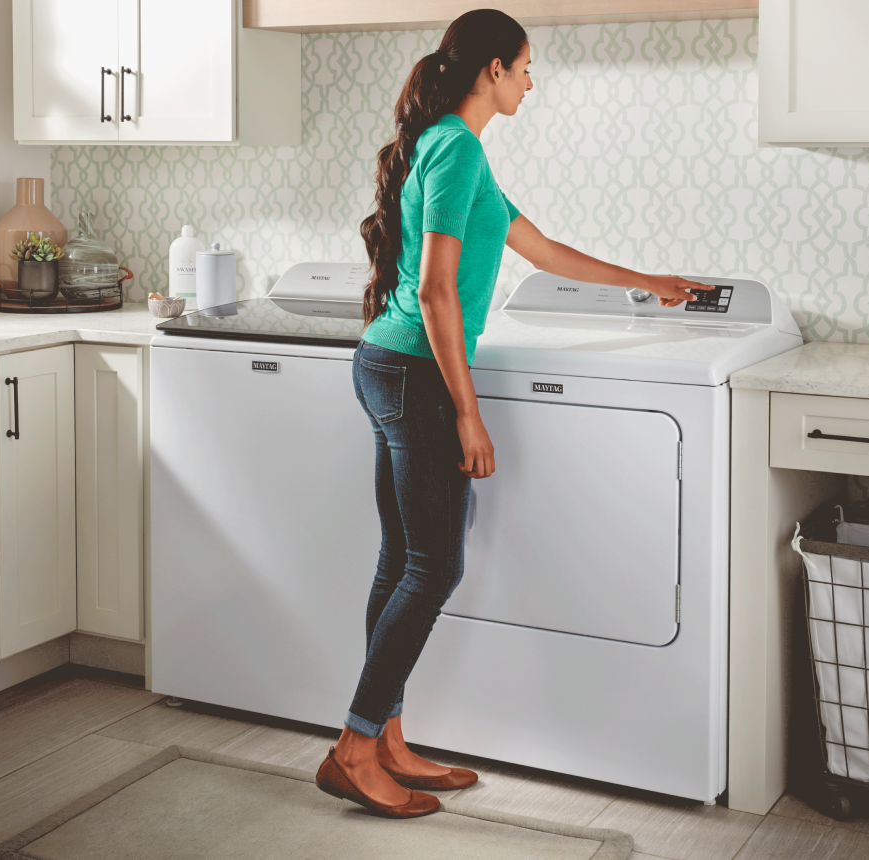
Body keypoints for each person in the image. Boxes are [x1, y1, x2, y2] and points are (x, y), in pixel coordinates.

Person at [314, 8, 709, 818]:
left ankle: (386, 739)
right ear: (491, 69)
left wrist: (649, 279)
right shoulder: (457, 147)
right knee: (434, 566)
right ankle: (354, 748)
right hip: (417, 375)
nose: (532, 81)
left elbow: (544, 250)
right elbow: (432, 290)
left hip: (385, 363)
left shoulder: (453, 150)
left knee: (402, 560)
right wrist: (469, 412)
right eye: (526, 67)